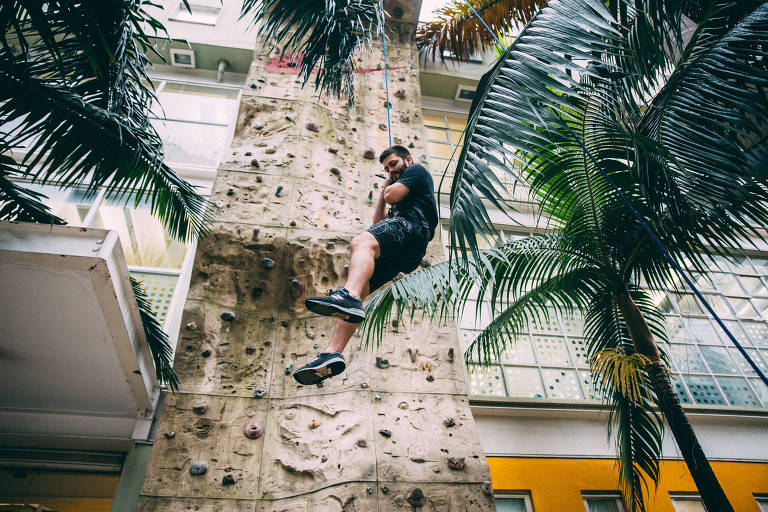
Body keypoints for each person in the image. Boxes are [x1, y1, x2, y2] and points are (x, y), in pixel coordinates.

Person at [292, 145, 438, 385]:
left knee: (361, 242)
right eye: (386, 168)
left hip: (413, 227)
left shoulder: (418, 171)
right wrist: (385, 185)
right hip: (407, 249)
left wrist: (389, 187)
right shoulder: (397, 186)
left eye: (393, 164)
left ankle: (346, 295)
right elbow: (378, 221)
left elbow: (391, 197)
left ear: (407, 160)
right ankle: (333, 353)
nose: (391, 170)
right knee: (360, 288)